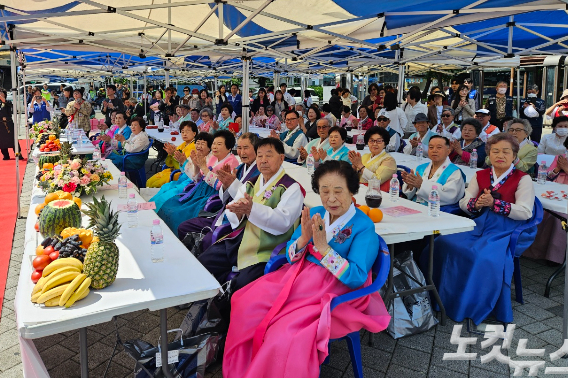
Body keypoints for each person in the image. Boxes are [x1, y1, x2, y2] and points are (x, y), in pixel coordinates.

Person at [223, 160, 390, 378]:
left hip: (333, 289)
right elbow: (292, 255)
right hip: (298, 276)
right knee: (244, 302)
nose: (331, 198)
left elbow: (357, 277)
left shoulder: (363, 226)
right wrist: (303, 239)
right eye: (324, 191)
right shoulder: (316, 212)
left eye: (338, 191)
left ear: (352, 190)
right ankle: (244, 368)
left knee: (285, 333)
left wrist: (324, 249)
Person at [426, 132, 535, 324]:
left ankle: (468, 305)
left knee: (480, 255)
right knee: (442, 242)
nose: (500, 155)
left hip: (504, 229)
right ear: (488, 154)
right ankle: (438, 298)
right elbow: (464, 201)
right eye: (495, 151)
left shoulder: (522, 178)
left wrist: (495, 204)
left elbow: (525, 212)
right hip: (477, 223)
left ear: (514, 156)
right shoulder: (481, 175)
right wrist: (476, 204)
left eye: (505, 152)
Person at [198, 137, 305, 294]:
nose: (263, 160)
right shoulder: (252, 183)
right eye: (260, 155)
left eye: (269, 155)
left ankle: (225, 311)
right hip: (241, 240)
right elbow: (233, 209)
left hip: (267, 248)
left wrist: (250, 210)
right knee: (204, 262)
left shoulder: (292, 188)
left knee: (241, 285)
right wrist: (239, 212)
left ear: (281, 158)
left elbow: (283, 222)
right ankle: (208, 299)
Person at [177, 132, 261, 248]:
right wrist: (226, 185)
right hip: (211, 200)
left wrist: (229, 184)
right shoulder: (239, 167)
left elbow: (247, 197)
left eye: (246, 148)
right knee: (182, 224)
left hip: (231, 215)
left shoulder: (252, 170)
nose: (241, 152)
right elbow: (202, 180)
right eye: (240, 148)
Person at [158, 130, 240, 232]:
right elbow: (198, 179)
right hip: (199, 191)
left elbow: (221, 186)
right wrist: (197, 166)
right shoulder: (213, 158)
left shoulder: (232, 162)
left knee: (178, 214)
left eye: (219, 144)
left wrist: (204, 168)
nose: (214, 147)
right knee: (169, 204)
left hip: (209, 195)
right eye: (214, 143)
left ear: (229, 147)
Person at [151, 132, 213, 212]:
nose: (199, 146)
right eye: (197, 143)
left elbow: (196, 177)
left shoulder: (209, 160)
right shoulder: (194, 154)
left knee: (168, 195)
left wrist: (184, 163)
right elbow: (184, 170)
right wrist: (182, 162)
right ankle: (150, 209)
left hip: (190, 185)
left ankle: (155, 211)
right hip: (183, 180)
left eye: (203, 144)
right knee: (165, 187)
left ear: (209, 148)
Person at [402, 135, 466, 206]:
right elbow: (408, 194)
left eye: (439, 147)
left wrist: (421, 185)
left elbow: (450, 197)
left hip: (437, 210)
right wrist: (410, 186)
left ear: (448, 151)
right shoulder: (420, 168)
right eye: (431, 147)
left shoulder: (454, 172)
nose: (434, 150)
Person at [146, 121, 198, 188]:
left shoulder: (194, 147)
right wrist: (170, 154)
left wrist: (173, 154)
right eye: (182, 132)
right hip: (172, 171)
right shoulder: (182, 145)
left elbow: (181, 167)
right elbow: (168, 164)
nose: (184, 134)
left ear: (194, 133)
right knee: (149, 181)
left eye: (187, 132)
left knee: (154, 185)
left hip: (181, 174)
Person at [0, 88, 23, 160]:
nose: (1, 95)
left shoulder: (8, 102)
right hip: (0, 124)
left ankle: (18, 154)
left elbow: (5, 102)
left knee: (13, 139)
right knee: (1, 140)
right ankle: (6, 155)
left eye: (2, 94)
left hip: (8, 123)